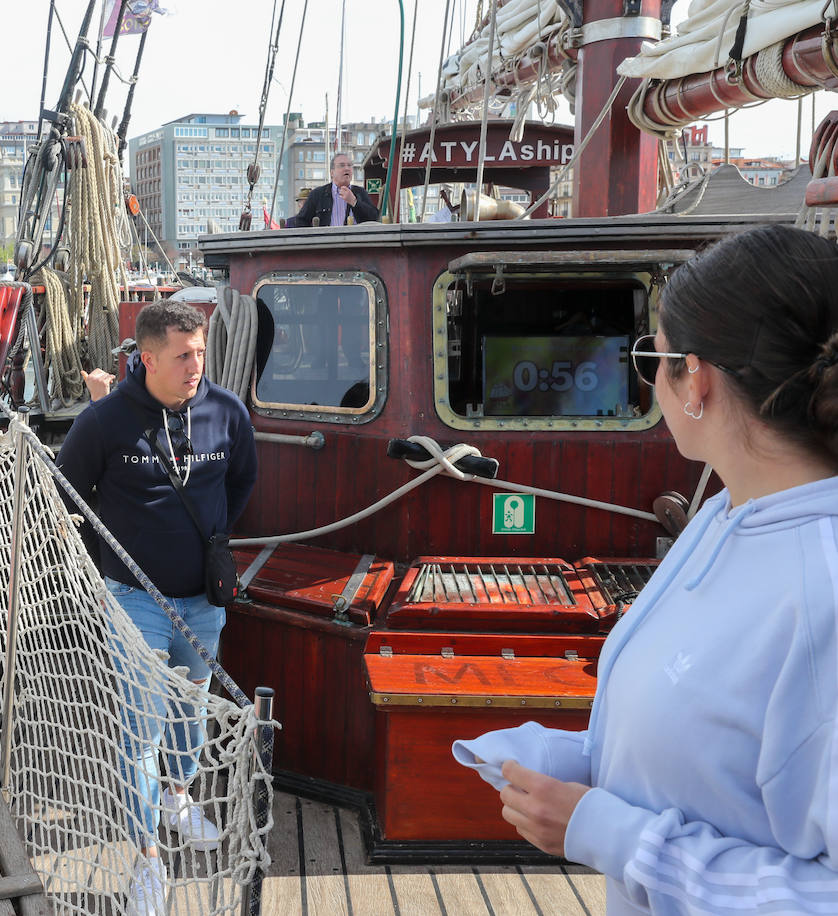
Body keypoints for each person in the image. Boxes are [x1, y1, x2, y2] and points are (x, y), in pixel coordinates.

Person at [452, 224, 838, 915]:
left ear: (698, 380)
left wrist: (610, 833)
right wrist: (569, 759)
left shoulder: (824, 591)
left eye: (649, 356)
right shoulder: (724, 516)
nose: (648, 378)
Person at [56, 301, 257, 916]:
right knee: (140, 724)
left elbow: (241, 484)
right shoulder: (104, 422)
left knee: (191, 708)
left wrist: (210, 540)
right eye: (182, 356)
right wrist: (109, 565)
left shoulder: (227, 412)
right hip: (134, 598)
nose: (196, 366)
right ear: (146, 358)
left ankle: (178, 795)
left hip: (203, 599)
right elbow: (68, 495)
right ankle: (147, 858)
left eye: (200, 353)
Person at [291, 153, 379, 227]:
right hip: (328, 241)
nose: (347, 168)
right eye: (342, 165)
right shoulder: (318, 194)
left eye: (349, 165)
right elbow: (301, 221)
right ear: (332, 172)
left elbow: (374, 218)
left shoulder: (360, 192)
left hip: (355, 241)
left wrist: (354, 202)